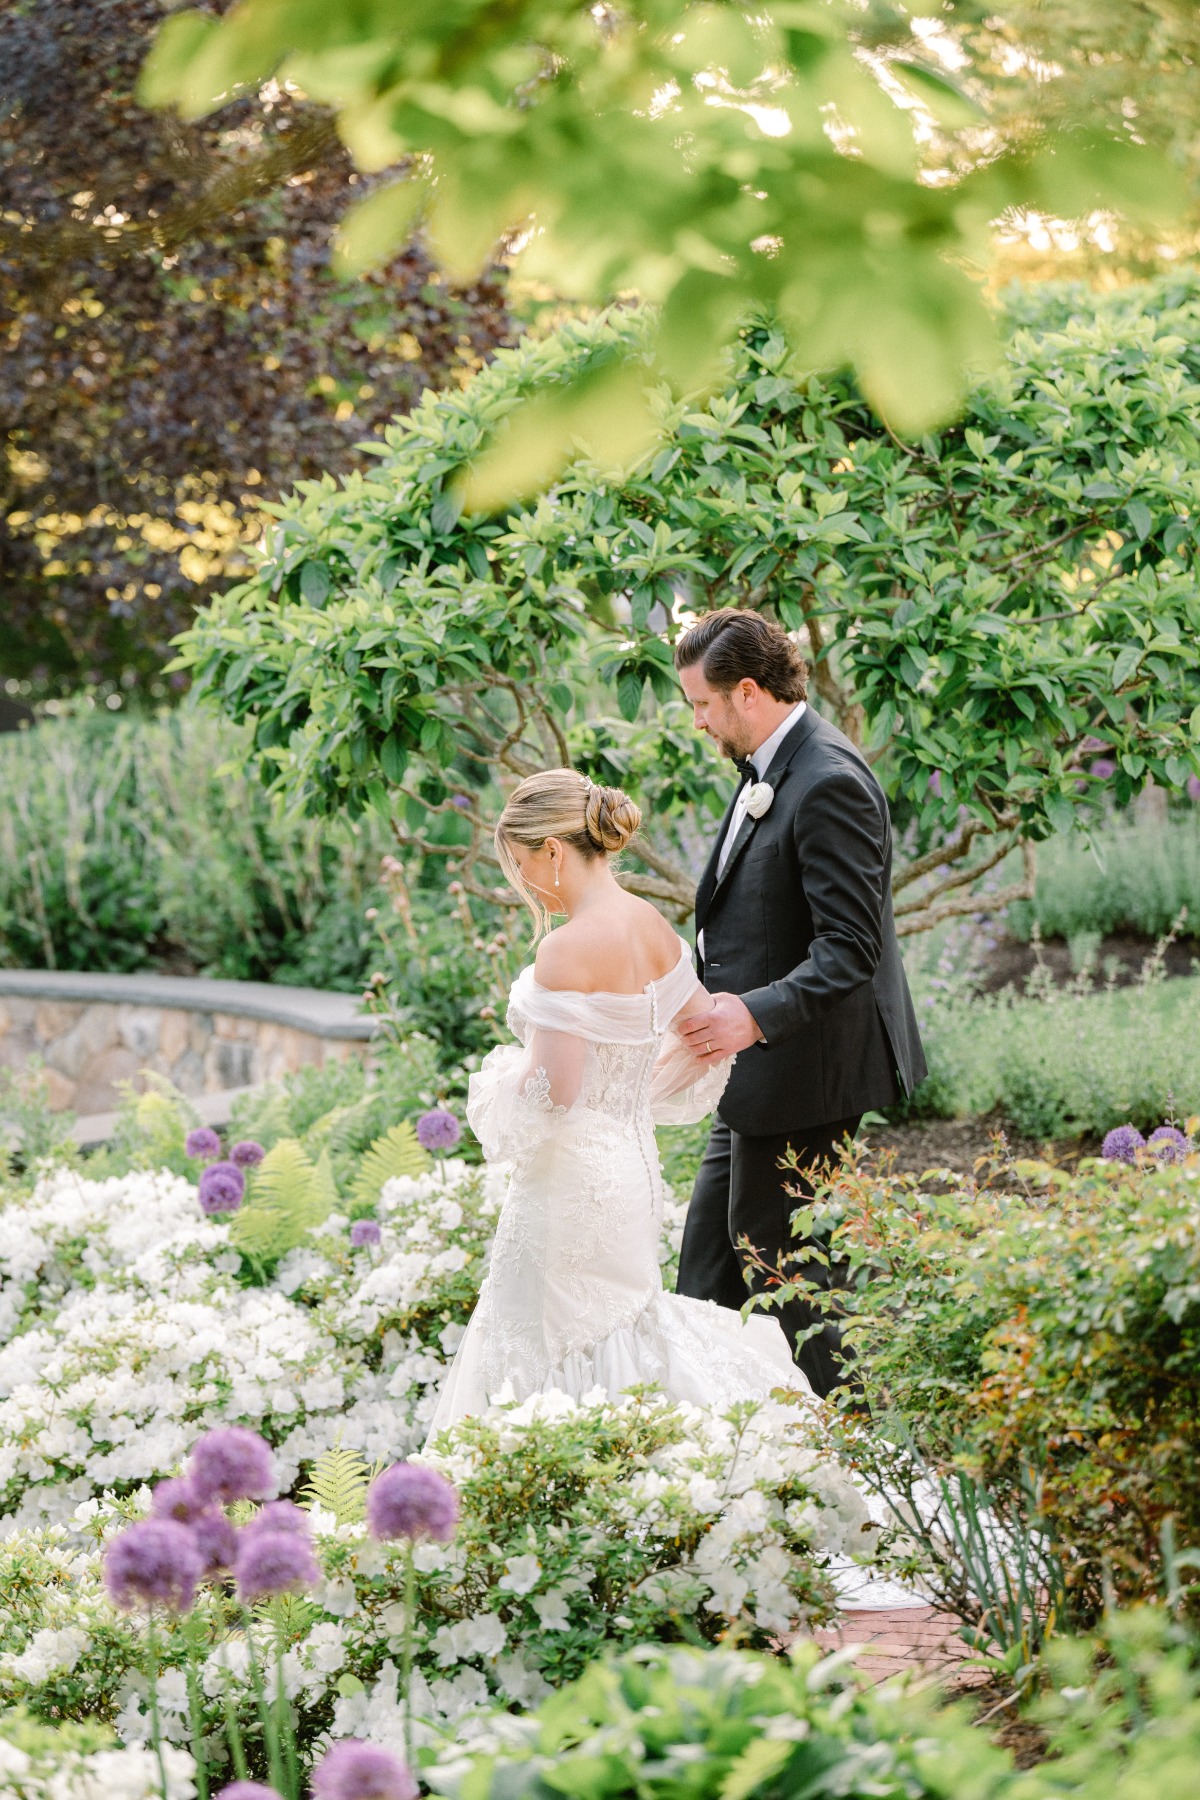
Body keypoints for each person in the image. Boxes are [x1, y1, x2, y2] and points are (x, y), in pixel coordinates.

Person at [424, 767, 805, 1441]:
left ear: (551, 851)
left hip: (569, 1188)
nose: (524, 883)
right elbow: (708, 1036)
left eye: (519, 865)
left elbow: (554, 1094)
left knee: (548, 1339)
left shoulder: (565, 949)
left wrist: (493, 1089)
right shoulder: (652, 927)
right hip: (629, 1172)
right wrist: (630, 1097)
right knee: (620, 1330)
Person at [672, 609, 927, 1397]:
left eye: (702, 706)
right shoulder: (770, 767)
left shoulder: (829, 781)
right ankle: (704, 1449)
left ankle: (856, 1454)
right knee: (705, 1274)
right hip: (759, 1075)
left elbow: (853, 948)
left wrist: (751, 1014)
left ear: (747, 693)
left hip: (808, 1073)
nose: (699, 722)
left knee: (789, 1275)